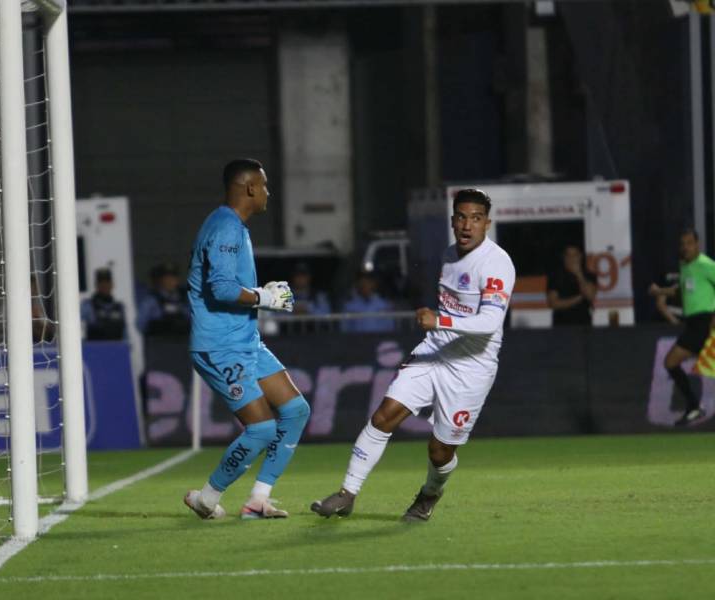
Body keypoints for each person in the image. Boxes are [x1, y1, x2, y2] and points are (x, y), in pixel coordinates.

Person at [311, 188, 515, 522]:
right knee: (384, 415)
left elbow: (491, 320)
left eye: (476, 219)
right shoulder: (449, 255)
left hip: (472, 367)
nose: (467, 225)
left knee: (440, 451)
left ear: (487, 224)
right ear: (452, 220)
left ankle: (430, 494)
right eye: (461, 217)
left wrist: (439, 319)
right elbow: (455, 309)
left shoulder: (497, 264)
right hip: (435, 351)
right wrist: (439, 321)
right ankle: (347, 493)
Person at [184, 158, 311, 520]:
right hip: (220, 346)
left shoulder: (231, 225)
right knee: (261, 429)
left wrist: (259, 294)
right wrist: (264, 297)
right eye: (265, 185)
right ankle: (206, 498)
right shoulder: (225, 227)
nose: (268, 192)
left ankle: (258, 499)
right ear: (251, 188)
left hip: (244, 340)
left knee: (296, 410)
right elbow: (221, 288)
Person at [648, 228, 714, 425]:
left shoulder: (706, 264)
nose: (685, 247)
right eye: (682, 244)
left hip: (704, 322)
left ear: (697, 245)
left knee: (670, 362)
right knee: (671, 363)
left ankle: (694, 407)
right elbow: (683, 290)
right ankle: (694, 407)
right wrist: (660, 291)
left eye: (689, 243)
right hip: (693, 323)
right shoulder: (685, 266)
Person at [546, 245, 598, 326]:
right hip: (561, 327)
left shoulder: (589, 275)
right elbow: (553, 303)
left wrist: (579, 274)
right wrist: (579, 298)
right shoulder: (556, 276)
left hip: (584, 326)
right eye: (568, 255)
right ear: (564, 258)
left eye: (575, 255)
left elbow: (591, 296)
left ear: (580, 256)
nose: (571, 258)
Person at [137, 262, 190, 336]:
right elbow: (140, 324)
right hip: (159, 343)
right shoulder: (151, 300)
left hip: (181, 343)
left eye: (173, 278)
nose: (171, 281)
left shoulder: (184, 299)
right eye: (166, 279)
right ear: (159, 281)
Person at [80, 268, 127, 341]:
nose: (104, 285)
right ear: (97, 285)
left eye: (107, 282)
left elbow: (125, 334)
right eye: (101, 283)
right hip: (95, 350)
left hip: (117, 350)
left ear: (112, 284)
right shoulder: (88, 305)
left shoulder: (119, 307)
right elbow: (76, 325)